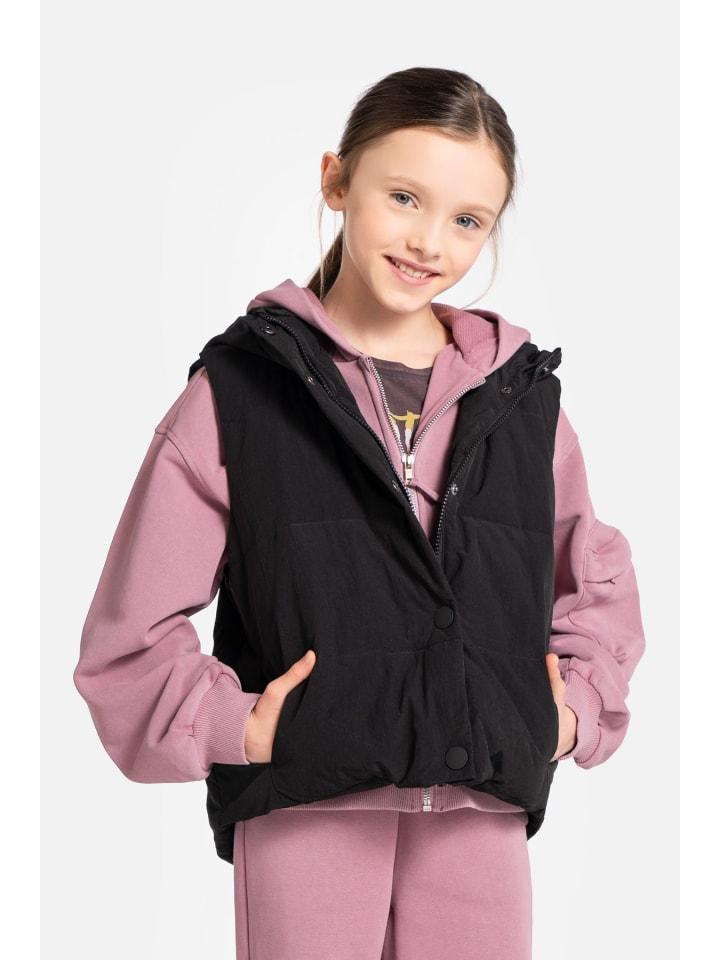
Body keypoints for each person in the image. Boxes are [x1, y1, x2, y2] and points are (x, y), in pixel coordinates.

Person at [74, 66, 646, 960]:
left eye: (468, 220)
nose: (428, 241)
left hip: (480, 812)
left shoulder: (522, 404)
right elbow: (128, 635)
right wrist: (243, 726)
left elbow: (595, 581)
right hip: (309, 803)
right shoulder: (240, 394)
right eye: (404, 197)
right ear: (337, 180)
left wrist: (571, 712)